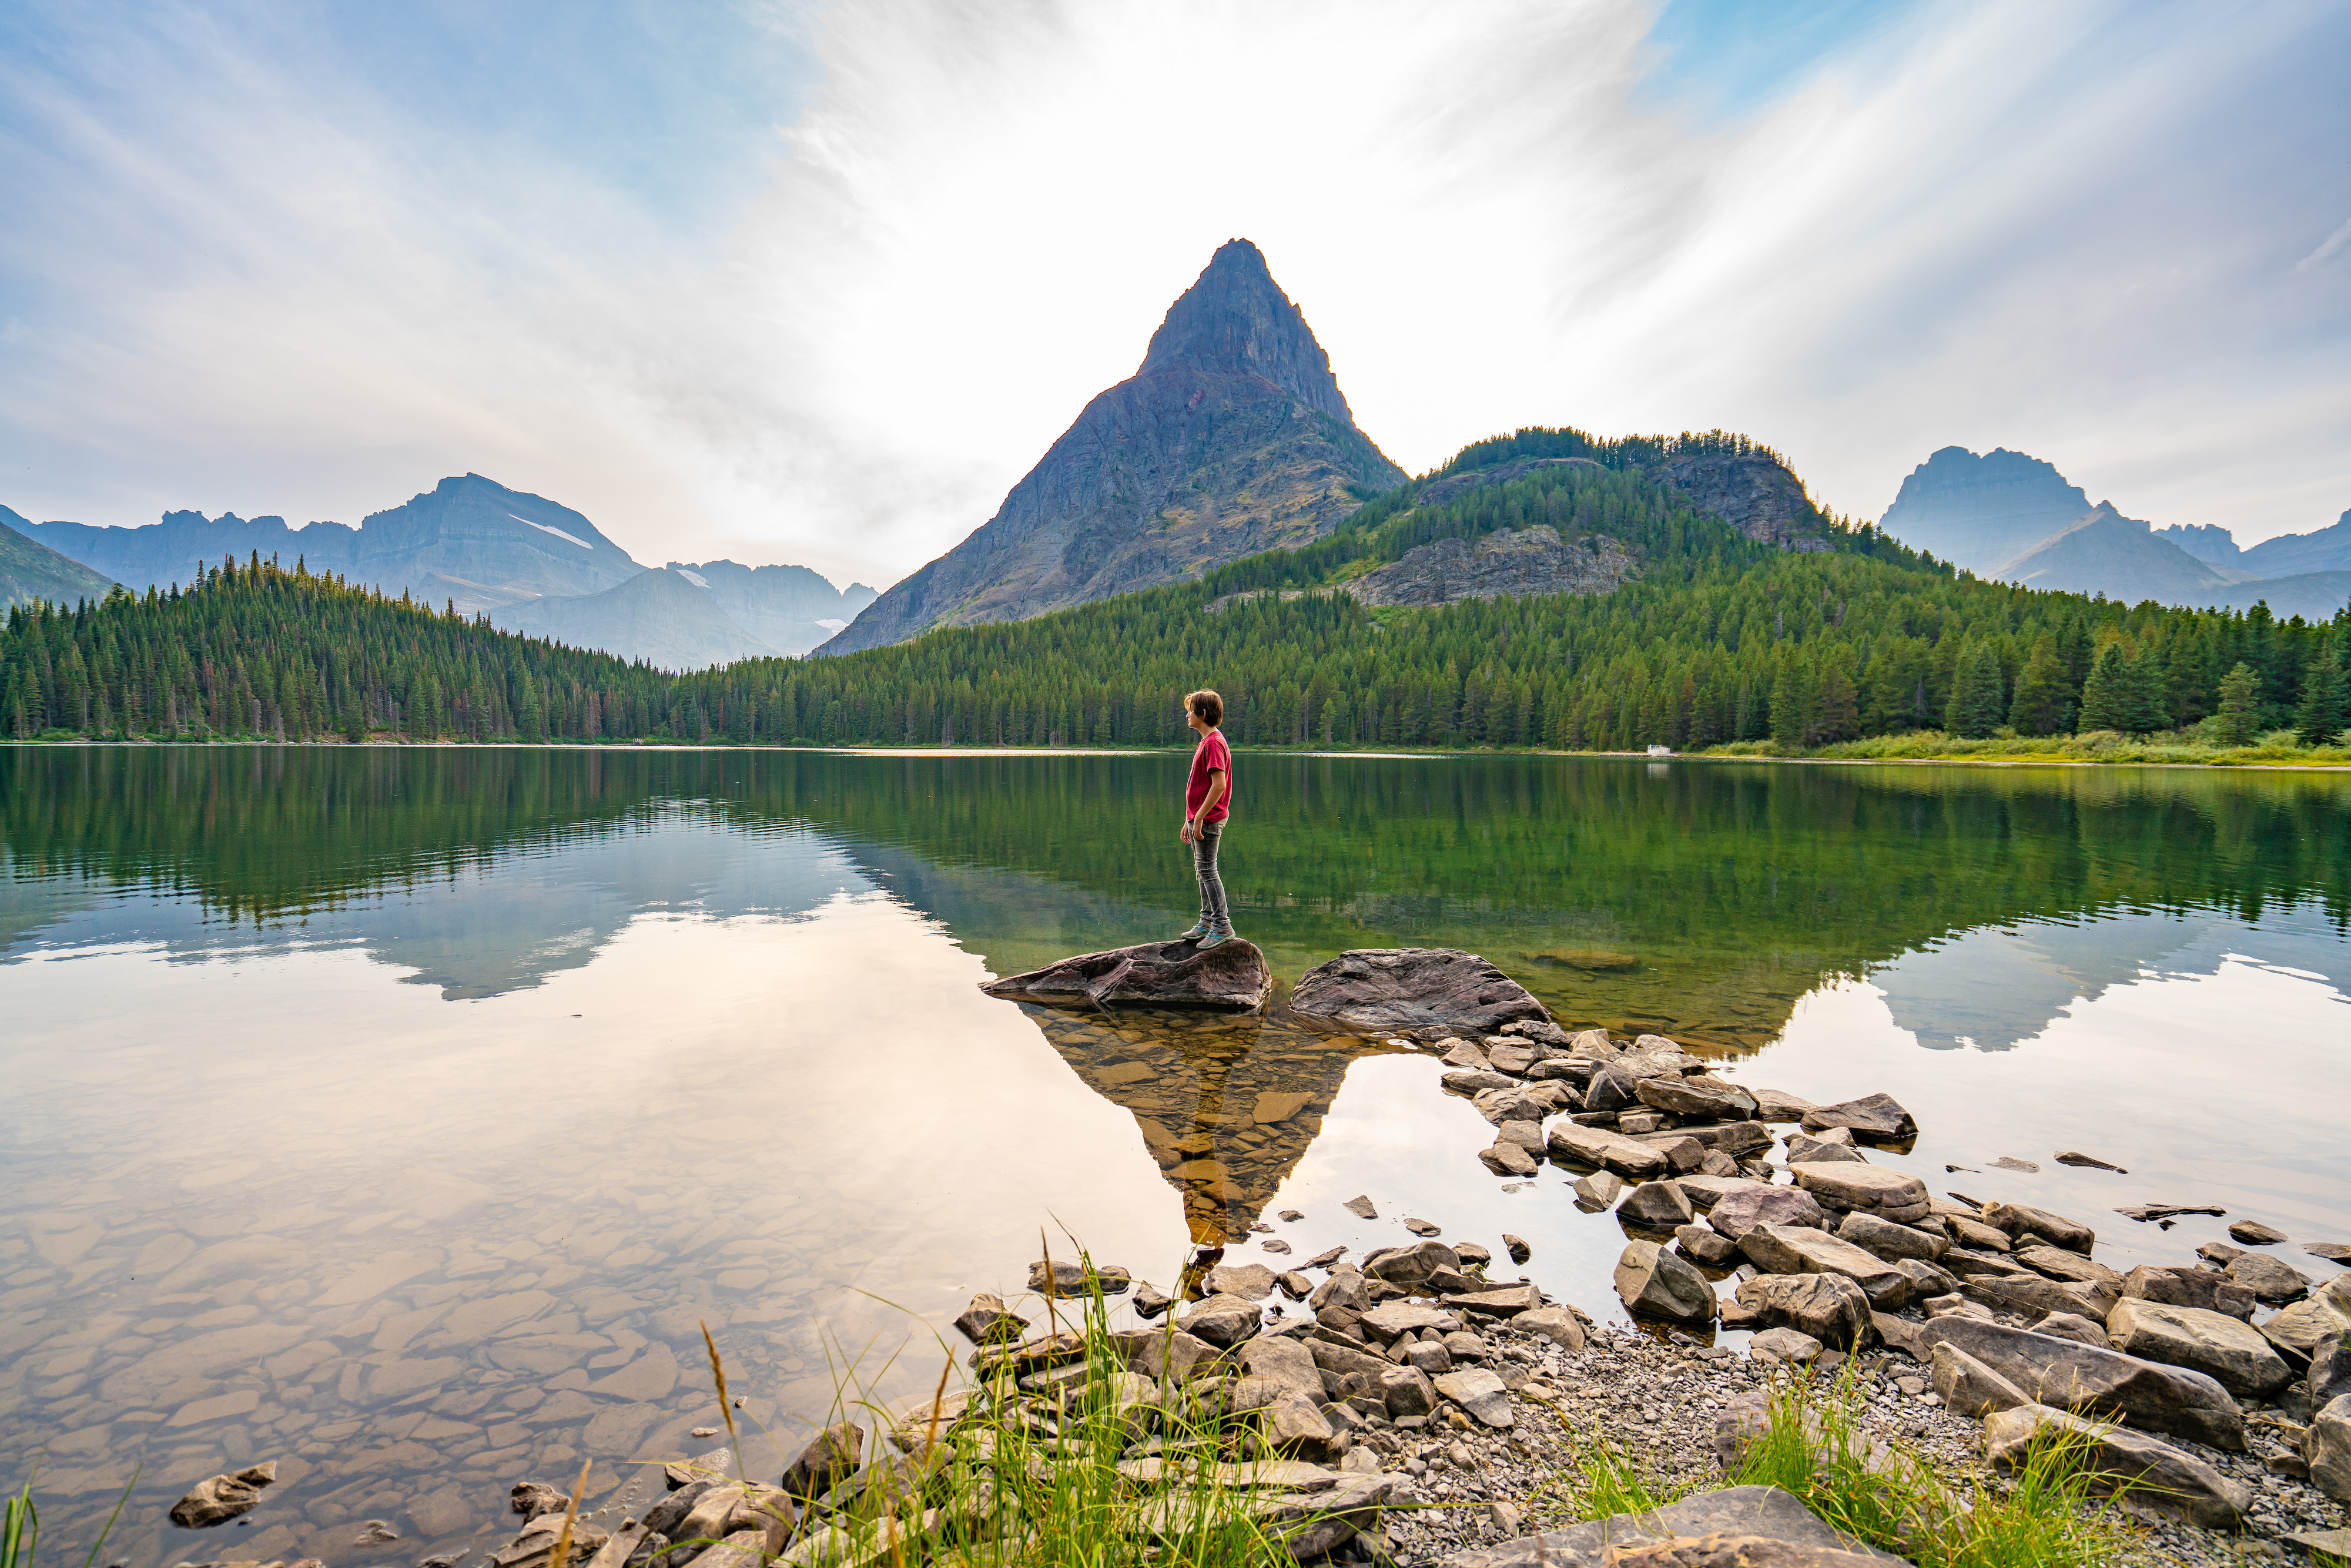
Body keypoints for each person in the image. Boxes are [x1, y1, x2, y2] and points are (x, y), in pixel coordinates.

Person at [1177, 689, 1234, 947]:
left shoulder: (1213, 743)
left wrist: (1199, 817)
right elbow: (1199, 786)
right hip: (1200, 817)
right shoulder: (1206, 741)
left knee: (1208, 870)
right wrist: (1189, 819)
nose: (1187, 715)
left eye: (1190, 711)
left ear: (1202, 714)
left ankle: (1222, 925)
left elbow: (1219, 785)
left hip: (1209, 818)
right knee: (1202, 870)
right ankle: (1207, 922)